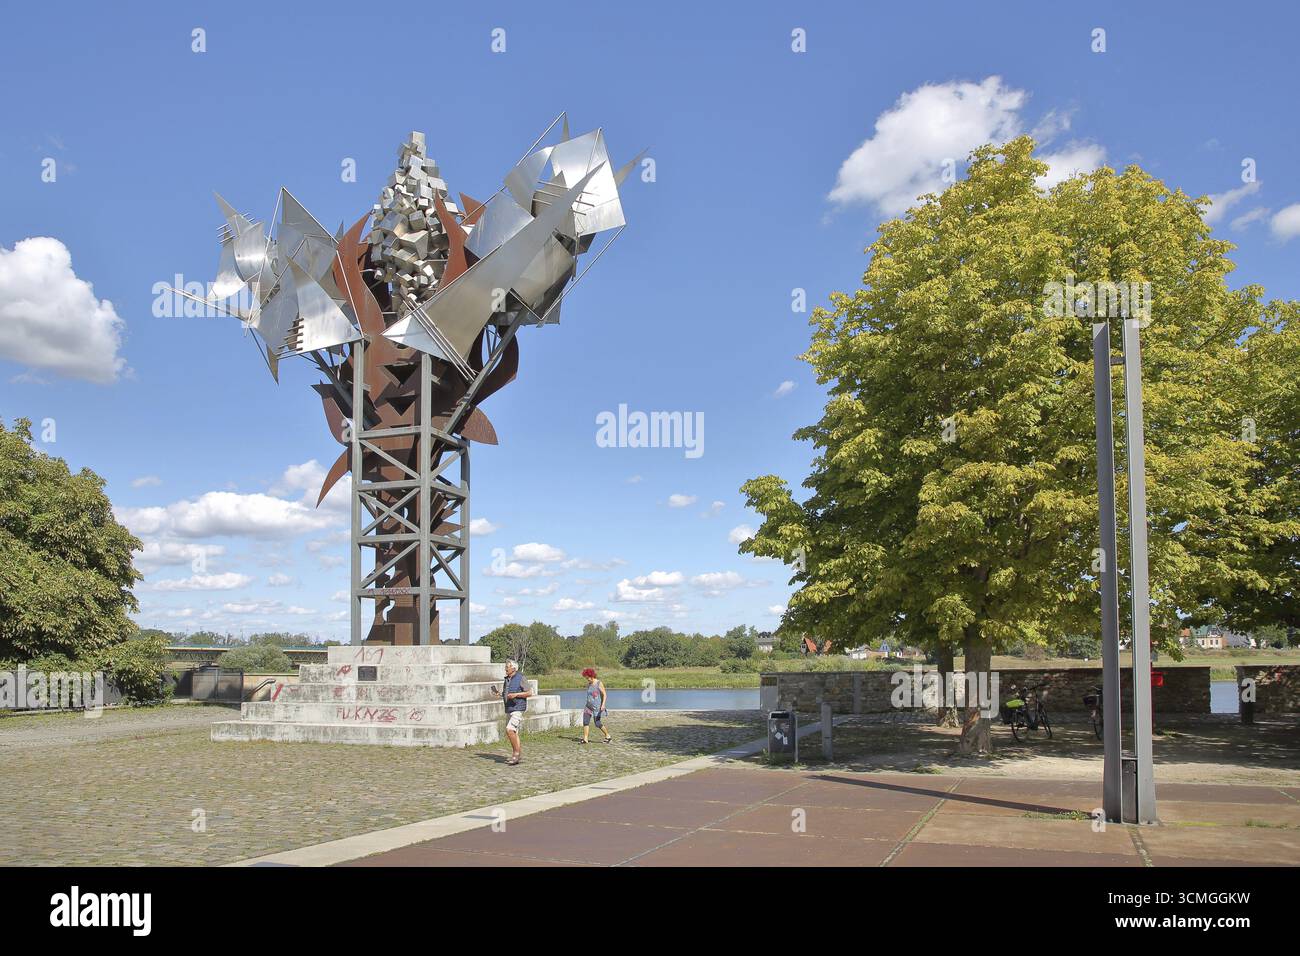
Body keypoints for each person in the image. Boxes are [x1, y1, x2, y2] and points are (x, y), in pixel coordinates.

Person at [492, 659, 531, 765]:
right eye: (505, 667)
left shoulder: (521, 678)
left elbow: (529, 693)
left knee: (510, 730)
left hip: (518, 708)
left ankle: (516, 754)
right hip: (509, 708)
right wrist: (500, 694)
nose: (505, 668)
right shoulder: (507, 679)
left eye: (507, 667)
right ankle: (517, 755)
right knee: (513, 732)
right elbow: (507, 693)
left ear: (513, 668)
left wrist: (516, 695)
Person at [579, 667, 612, 744]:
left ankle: (608, 736)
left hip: (597, 707)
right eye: (586, 678)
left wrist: (603, 704)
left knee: (597, 723)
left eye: (588, 678)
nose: (587, 680)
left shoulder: (598, 683)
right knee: (585, 721)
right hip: (588, 706)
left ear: (592, 676)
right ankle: (585, 739)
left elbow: (604, 694)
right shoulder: (589, 684)